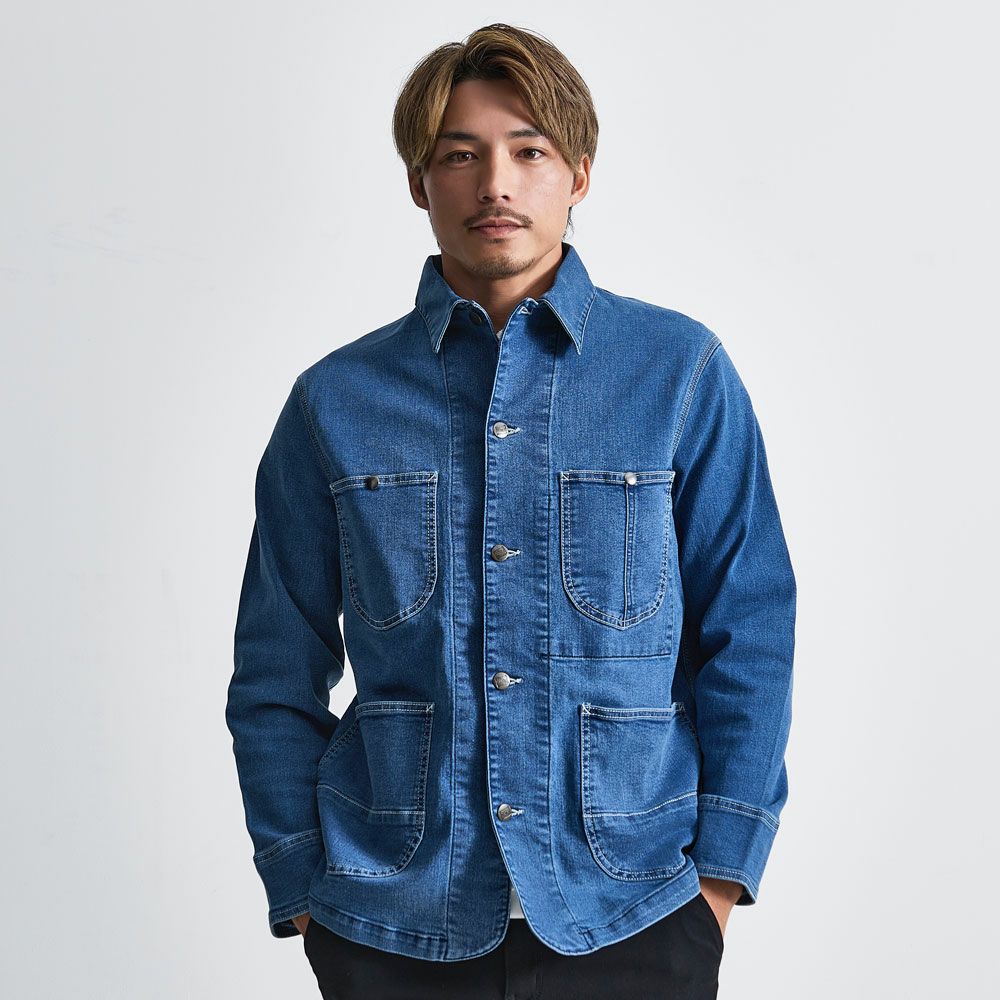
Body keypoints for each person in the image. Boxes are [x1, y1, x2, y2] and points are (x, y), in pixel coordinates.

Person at [226, 22, 796, 1000]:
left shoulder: (677, 373)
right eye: (460, 155)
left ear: (579, 174)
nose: (496, 183)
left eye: (528, 152)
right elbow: (275, 667)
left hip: (636, 913)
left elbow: (750, 630)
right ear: (420, 182)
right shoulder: (336, 402)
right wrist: (303, 889)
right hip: (393, 925)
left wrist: (718, 881)